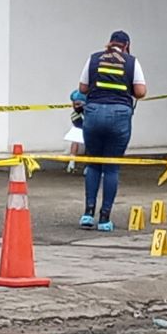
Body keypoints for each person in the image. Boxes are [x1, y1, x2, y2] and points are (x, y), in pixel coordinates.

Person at [77, 30, 147, 231]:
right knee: (111, 167)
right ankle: (105, 218)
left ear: (109, 43)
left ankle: (88, 213)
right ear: (126, 46)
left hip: (93, 113)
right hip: (119, 116)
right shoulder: (131, 62)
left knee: (93, 163)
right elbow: (140, 92)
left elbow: (82, 88)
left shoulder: (94, 59)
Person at [66, 89, 87, 174]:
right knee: (77, 139)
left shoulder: (76, 114)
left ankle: (72, 164)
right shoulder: (76, 114)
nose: (75, 106)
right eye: (74, 104)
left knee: (76, 140)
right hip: (82, 120)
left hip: (82, 119)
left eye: (77, 104)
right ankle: (72, 163)